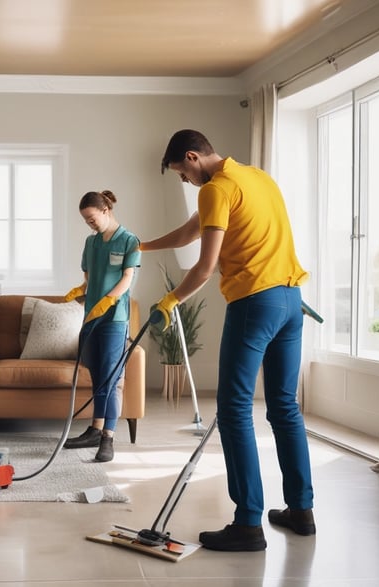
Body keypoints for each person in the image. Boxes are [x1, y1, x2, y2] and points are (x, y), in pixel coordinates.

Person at [141, 129, 315, 551]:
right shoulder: (257, 178)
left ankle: (248, 524)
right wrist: (141, 246)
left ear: (192, 156)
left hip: (255, 303)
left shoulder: (215, 189)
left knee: (234, 408)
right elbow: (190, 232)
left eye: (183, 173)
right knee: (284, 407)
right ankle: (301, 510)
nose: (185, 181)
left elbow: (204, 266)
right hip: (291, 302)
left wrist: (170, 299)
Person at [63, 190, 141, 462]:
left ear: (106, 210)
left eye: (92, 219)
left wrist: (109, 300)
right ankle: (95, 430)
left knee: (110, 379)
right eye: (86, 221)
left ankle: (108, 436)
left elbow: (128, 278)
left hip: (114, 319)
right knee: (96, 375)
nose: (90, 225)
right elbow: (89, 273)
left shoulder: (130, 241)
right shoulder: (91, 242)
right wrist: (82, 289)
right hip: (91, 317)